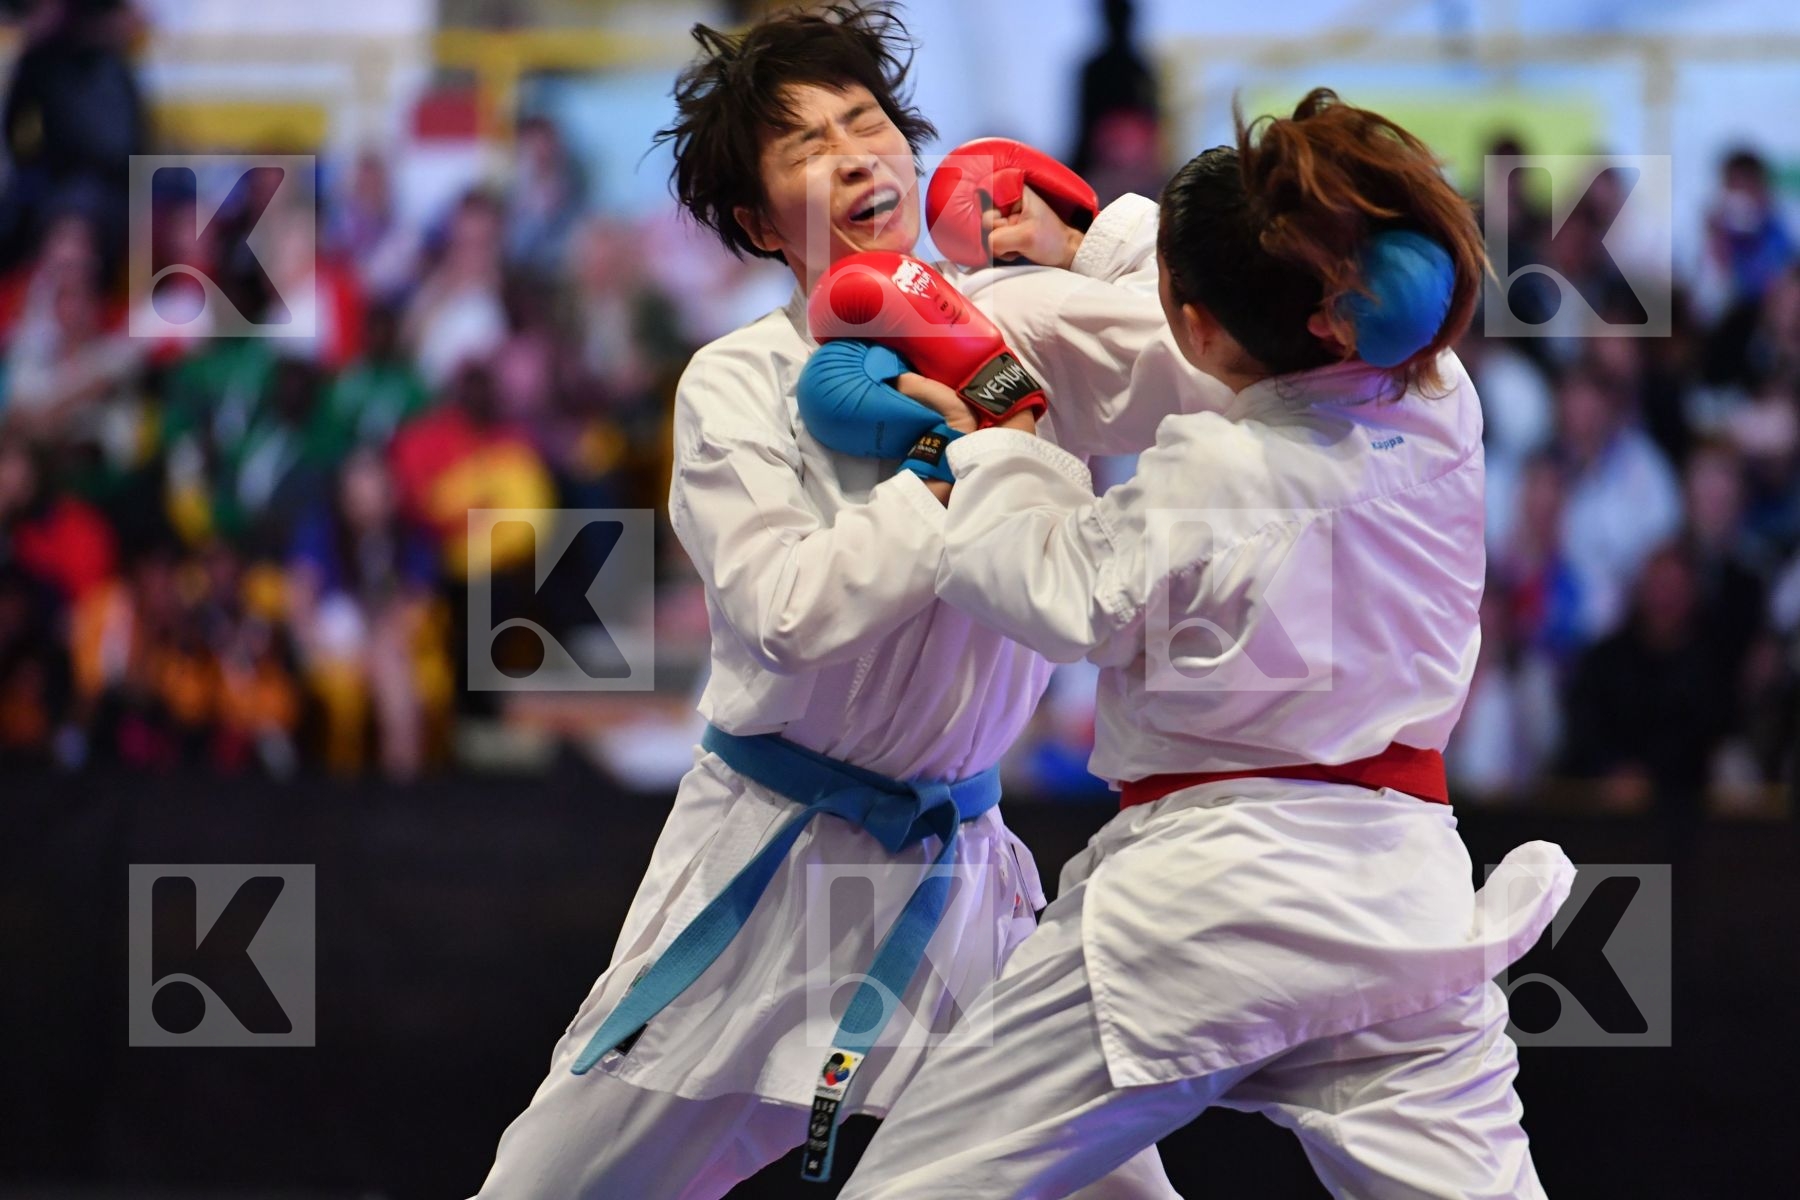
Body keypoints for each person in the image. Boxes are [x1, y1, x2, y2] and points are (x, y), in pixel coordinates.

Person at [469, 5, 1219, 1198]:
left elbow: (1217, 365)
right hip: (768, 856)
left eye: (867, 123)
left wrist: (1103, 243)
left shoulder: (1014, 323)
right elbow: (783, 610)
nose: (857, 152)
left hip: (956, 871)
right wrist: (953, 462)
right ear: (758, 220)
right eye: (809, 143)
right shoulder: (737, 381)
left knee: (1113, 1189)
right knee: (548, 1188)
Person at [834, 89, 1575, 1200]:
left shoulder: (1215, 474)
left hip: (1206, 911)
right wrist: (1097, 241)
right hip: (1401, 909)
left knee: (923, 1186)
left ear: (1193, 326)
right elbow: (1248, 328)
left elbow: (1047, 588)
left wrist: (1003, 431)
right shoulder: (1440, 396)